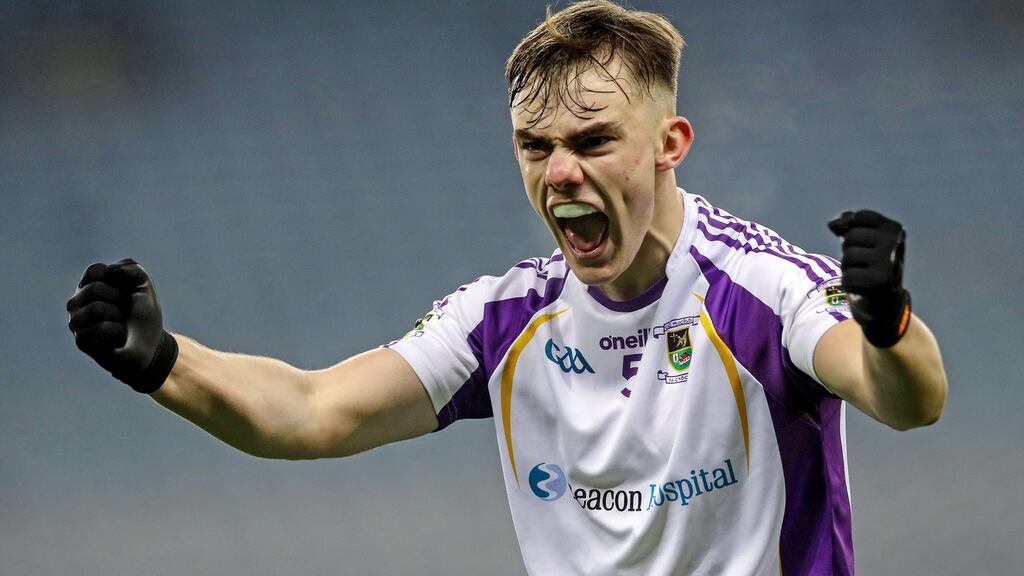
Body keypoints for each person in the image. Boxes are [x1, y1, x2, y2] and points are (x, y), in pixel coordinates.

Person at [66, 1, 947, 574]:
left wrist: (886, 322)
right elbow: (308, 411)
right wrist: (164, 364)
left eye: (594, 141)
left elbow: (908, 400)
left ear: (670, 143)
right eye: (535, 145)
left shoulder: (760, 286)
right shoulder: (504, 321)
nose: (560, 172)